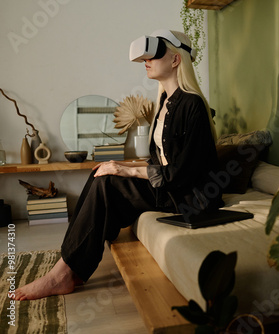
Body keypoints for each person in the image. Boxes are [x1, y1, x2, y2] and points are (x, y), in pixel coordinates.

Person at [12, 30, 224, 301]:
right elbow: (159, 160)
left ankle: (61, 275)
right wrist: (118, 163)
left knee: (109, 182)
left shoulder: (192, 104)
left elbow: (183, 171)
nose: (146, 61)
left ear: (175, 60)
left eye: (154, 54)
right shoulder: (165, 103)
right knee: (101, 172)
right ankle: (70, 265)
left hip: (189, 195)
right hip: (169, 185)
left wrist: (125, 170)